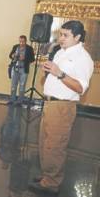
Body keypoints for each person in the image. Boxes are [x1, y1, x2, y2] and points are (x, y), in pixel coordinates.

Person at [29, 21, 94, 194]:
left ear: (77, 37)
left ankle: (51, 183)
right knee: (45, 142)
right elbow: (55, 75)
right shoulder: (60, 53)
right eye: (61, 34)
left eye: (66, 35)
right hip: (50, 103)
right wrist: (48, 71)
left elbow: (80, 88)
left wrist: (60, 73)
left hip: (62, 107)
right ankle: (47, 175)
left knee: (55, 145)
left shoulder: (83, 58)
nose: (61, 38)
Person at [7, 35, 35, 105]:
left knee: (22, 86)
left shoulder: (29, 48)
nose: (21, 43)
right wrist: (12, 56)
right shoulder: (15, 46)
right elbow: (10, 55)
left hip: (24, 69)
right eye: (20, 41)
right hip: (15, 68)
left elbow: (32, 59)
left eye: (23, 42)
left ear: (26, 41)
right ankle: (12, 100)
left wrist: (24, 58)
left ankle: (19, 101)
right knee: (13, 85)